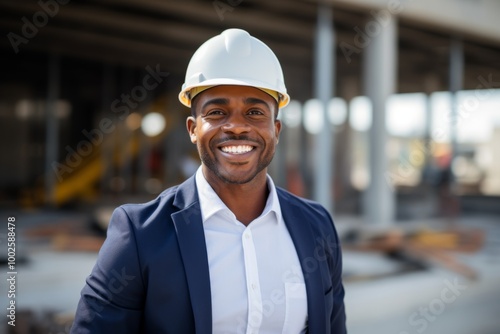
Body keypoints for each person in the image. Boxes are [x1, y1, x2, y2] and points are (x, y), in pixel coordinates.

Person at [71, 28, 346, 334]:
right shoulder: (139, 234)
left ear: (276, 130)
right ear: (192, 129)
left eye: (254, 112)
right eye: (217, 112)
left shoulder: (317, 225)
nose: (237, 127)